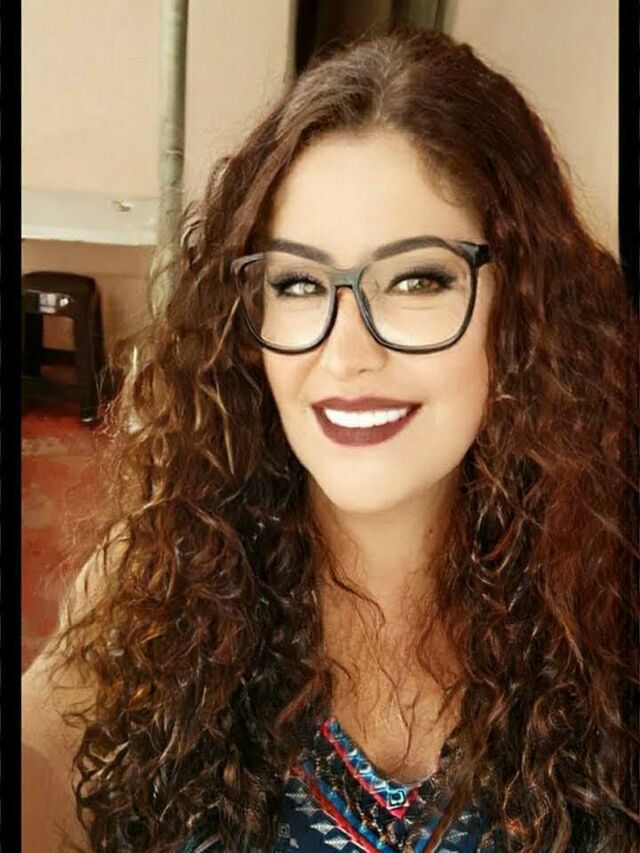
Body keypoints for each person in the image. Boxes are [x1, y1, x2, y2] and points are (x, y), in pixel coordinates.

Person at [22, 23, 639, 853]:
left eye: (417, 278)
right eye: (299, 282)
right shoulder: (158, 576)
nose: (346, 355)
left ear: (524, 306)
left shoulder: (608, 595)